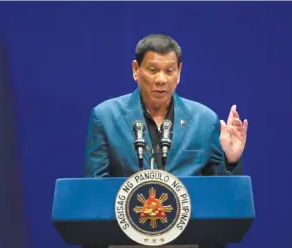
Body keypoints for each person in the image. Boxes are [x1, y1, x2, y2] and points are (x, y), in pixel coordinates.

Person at [84, 34, 248, 178]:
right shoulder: (106, 118)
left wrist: (231, 161)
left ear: (179, 72)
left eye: (169, 71)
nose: (161, 79)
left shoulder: (204, 121)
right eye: (153, 70)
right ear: (136, 70)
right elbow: (95, 189)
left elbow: (220, 194)